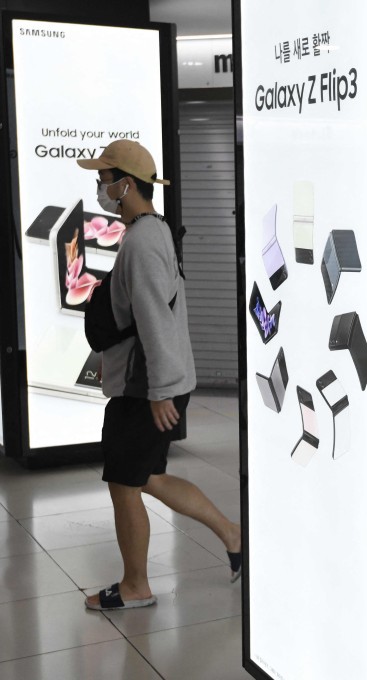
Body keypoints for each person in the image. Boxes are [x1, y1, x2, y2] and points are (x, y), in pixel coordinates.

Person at [76, 140, 241, 611]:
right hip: (154, 383)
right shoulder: (153, 229)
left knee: (124, 484)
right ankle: (234, 536)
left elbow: (153, 319)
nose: (101, 187)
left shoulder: (143, 241)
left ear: (126, 185)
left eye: (105, 179)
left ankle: (135, 587)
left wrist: (161, 391)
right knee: (147, 476)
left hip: (145, 388)